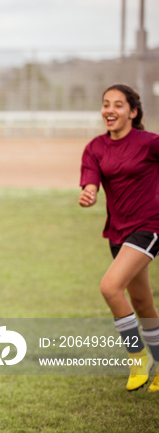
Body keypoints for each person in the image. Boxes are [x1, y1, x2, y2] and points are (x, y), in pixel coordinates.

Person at [79, 83, 159, 392]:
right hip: (117, 231)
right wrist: (89, 192)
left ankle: (137, 357)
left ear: (133, 112)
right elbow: (91, 181)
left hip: (149, 226)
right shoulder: (95, 147)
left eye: (118, 105)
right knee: (141, 302)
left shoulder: (149, 143)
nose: (110, 110)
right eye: (105, 104)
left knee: (110, 287)